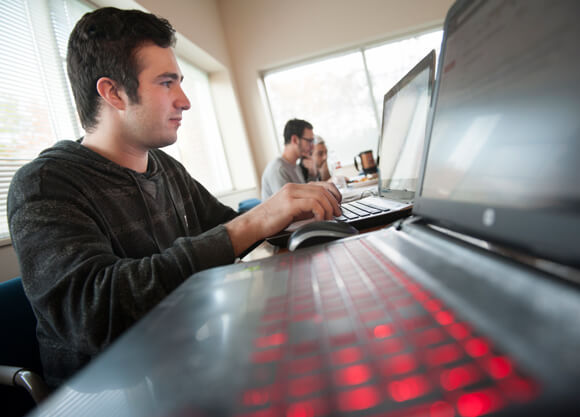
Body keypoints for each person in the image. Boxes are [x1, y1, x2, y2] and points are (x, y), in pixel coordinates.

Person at [7, 7, 341, 389]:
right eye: (167, 83)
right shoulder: (44, 184)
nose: (184, 100)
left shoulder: (165, 167)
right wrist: (252, 223)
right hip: (114, 394)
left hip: (188, 360)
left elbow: (230, 231)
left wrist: (296, 217)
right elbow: (95, 314)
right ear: (112, 92)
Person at [261, 118, 315, 200]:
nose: (312, 146)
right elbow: (288, 205)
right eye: (309, 141)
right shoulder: (278, 169)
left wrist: (312, 174)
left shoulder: (295, 166)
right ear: (295, 140)